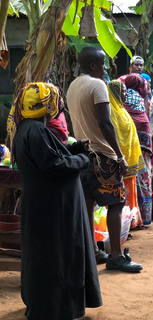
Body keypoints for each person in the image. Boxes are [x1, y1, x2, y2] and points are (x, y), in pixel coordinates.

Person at [8, 82, 102, 319]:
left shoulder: (27, 128)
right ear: (47, 106)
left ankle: (45, 303)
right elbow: (54, 165)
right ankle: (58, 307)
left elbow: (53, 155)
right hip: (54, 210)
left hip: (45, 206)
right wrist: (83, 159)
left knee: (45, 256)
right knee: (59, 257)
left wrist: (76, 148)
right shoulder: (37, 131)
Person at [66, 46, 142, 272]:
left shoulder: (72, 86)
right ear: (92, 65)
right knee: (117, 203)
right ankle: (116, 255)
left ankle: (93, 252)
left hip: (82, 154)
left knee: (88, 204)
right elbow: (105, 123)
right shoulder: (97, 85)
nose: (106, 69)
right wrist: (120, 155)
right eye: (103, 65)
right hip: (103, 156)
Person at [107, 79, 145, 227]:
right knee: (121, 195)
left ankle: (132, 220)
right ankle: (123, 224)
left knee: (130, 191)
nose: (125, 94)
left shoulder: (121, 110)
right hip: (120, 160)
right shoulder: (111, 111)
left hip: (130, 158)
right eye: (122, 91)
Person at [123, 74, 153, 227]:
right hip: (141, 149)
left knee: (129, 183)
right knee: (143, 180)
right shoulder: (138, 100)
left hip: (125, 148)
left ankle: (129, 219)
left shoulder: (122, 97)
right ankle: (142, 217)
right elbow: (143, 121)